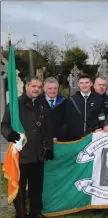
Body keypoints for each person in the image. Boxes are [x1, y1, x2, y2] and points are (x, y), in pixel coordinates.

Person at [1, 76, 54, 218]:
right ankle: (21, 214)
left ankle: (36, 213)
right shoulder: (15, 104)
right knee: (20, 190)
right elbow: (4, 125)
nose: (36, 89)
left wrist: (49, 149)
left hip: (38, 154)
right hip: (21, 154)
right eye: (33, 86)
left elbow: (48, 129)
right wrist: (10, 134)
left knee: (37, 189)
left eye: (39, 87)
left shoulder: (43, 104)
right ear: (26, 86)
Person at [65, 74, 105, 141]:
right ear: (78, 84)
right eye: (81, 83)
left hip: (93, 136)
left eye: (86, 83)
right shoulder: (71, 100)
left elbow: (102, 117)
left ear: (91, 84)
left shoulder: (98, 99)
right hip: (75, 138)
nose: (84, 85)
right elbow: (67, 119)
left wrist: (100, 127)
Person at [40, 77, 67, 142]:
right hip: (41, 140)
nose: (53, 91)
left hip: (60, 141)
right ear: (44, 89)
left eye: (55, 88)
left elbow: (66, 123)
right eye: (50, 88)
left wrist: (57, 136)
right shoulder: (38, 102)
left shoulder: (64, 102)